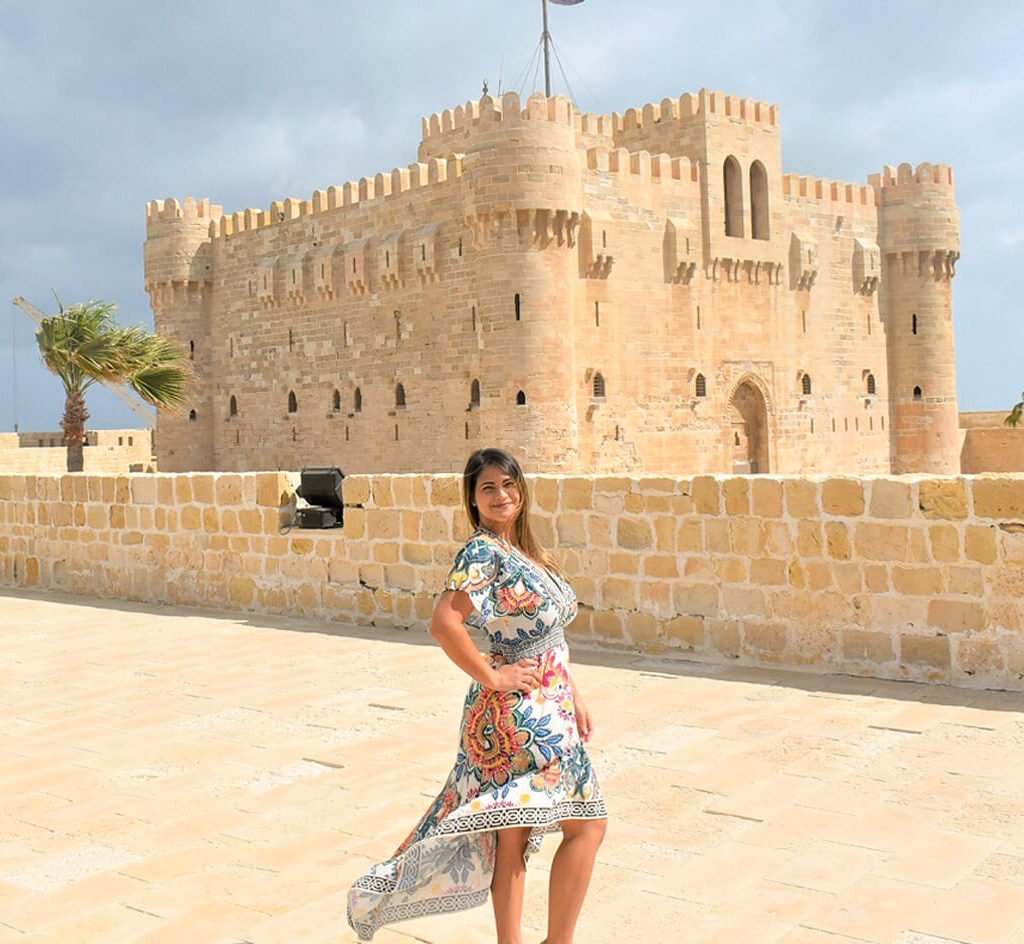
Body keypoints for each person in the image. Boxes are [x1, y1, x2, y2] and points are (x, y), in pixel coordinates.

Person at [348, 447, 607, 944]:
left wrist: (573, 694)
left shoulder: (527, 552)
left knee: (555, 827)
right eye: (488, 488)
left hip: (549, 703)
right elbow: (444, 623)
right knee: (551, 828)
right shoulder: (483, 552)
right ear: (473, 498)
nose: (502, 495)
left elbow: (547, 638)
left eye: (509, 484)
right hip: (518, 714)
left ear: (522, 489)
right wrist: (495, 677)